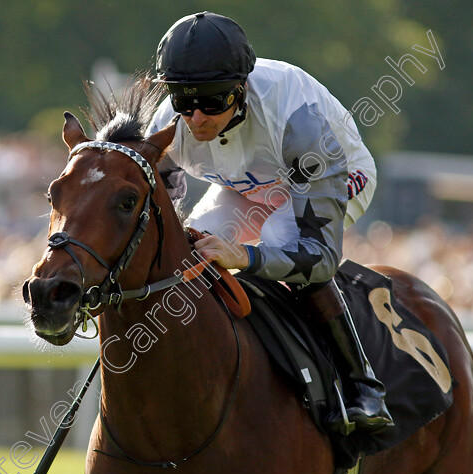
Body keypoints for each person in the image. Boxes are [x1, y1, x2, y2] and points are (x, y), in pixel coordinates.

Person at [148, 11, 393, 433]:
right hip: (248, 186)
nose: (196, 119)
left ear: (241, 89)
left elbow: (318, 258)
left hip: (333, 172)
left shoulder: (299, 119)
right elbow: (157, 221)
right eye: (184, 102)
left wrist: (243, 255)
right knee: (194, 251)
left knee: (281, 235)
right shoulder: (169, 127)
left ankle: (363, 386)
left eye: (211, 102)